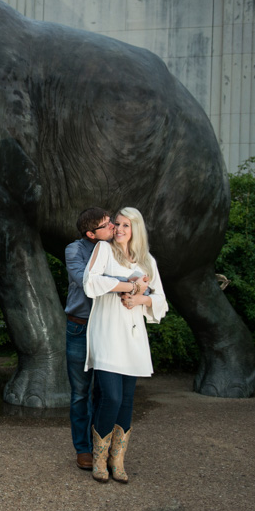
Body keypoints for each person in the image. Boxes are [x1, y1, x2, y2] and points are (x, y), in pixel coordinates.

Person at [83, 207, 167, 483]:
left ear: (136, 230)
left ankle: (116, 460)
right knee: (112, 397)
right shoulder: (104, 251)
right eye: (116, 224)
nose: (118, 229)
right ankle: (99, 459)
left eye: (125, 226)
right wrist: (129, 286)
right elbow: (91, 282)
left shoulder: (147, 261)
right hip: (106, 332)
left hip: (132, 336)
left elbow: (161, 302)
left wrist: (142, 299)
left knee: (127, 401)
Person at [64, 207, 115, 470]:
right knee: (80, 394)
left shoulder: (118, 248)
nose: (113, 227)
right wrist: (124, 282)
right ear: (90, 234)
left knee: (105, 391)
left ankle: (101, 446)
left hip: (108, 328)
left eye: (112, 221)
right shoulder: (75, 251)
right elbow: (87, 281)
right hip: (80, 328)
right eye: (106, 225)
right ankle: (82, 449)